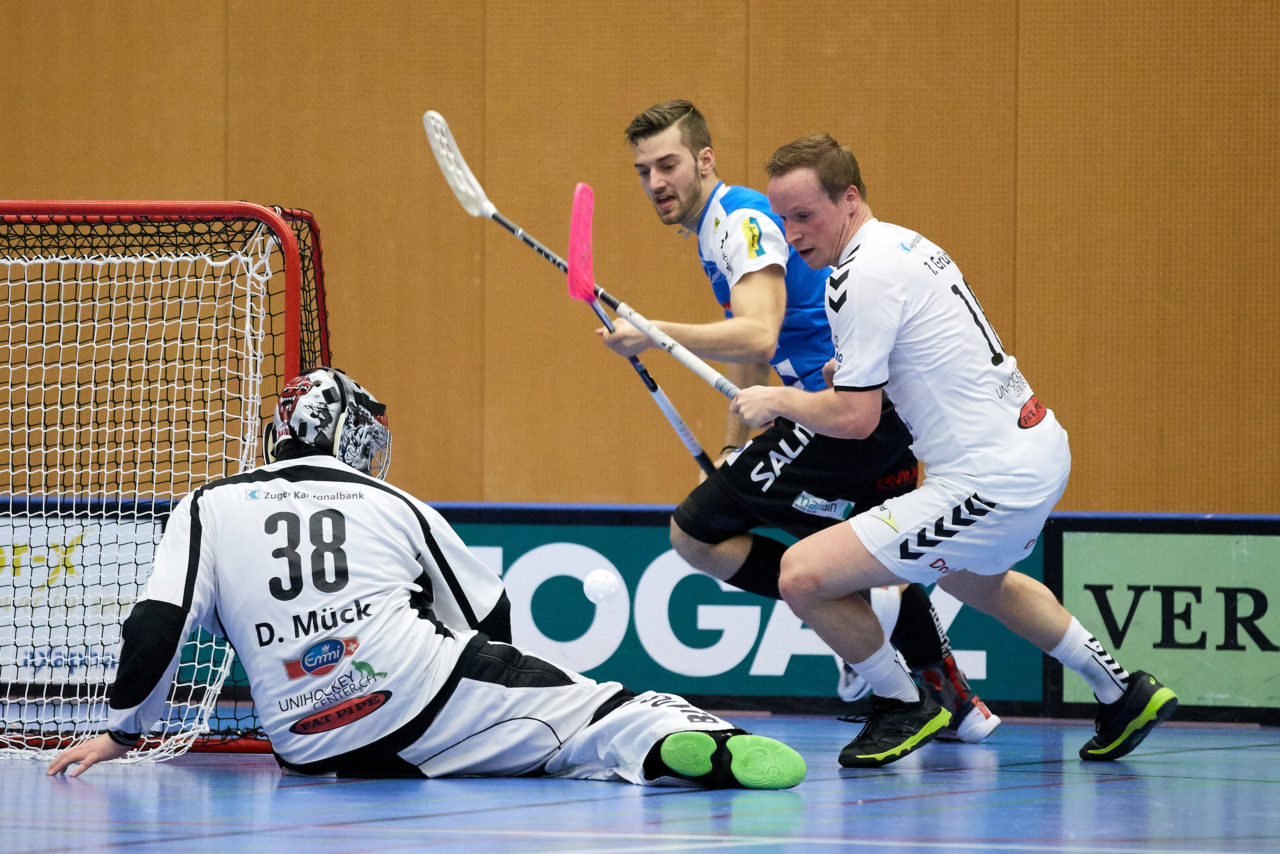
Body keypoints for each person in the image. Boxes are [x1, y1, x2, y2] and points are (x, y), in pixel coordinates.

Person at [47, 367, 806, 789]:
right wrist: (501, 681)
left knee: (532, 748)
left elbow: (155, 628)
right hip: (425, 693)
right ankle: (690, 740)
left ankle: (529, 739)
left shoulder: (209, 503)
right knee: (602, 714)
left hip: (308, 746)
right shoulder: (391, 500)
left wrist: (123, 731)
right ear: (349, 437)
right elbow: (489, 610)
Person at [728, 133, 1177, 768]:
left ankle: (903, 700)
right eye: (782, 219)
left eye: (805, 215)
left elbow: (856, 420)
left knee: (801, 575)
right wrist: (846, 374)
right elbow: (913, 358)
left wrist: (775, 403)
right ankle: (1119, 689)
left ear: (849, 199)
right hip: (1035, 448)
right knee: (974, 578)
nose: (792, 233)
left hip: (987, 479)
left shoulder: (858, 274)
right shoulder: (903, 244)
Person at [601, 99, 998, 743]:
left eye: (668, 164)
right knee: (868, 558)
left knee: (697, 532)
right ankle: (953, 698)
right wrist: (737, 446)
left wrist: (651, 332)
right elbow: (760, 349)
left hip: (848, 413)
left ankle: (895, 684)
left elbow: (756, 334)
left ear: (705, 160)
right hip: (857, 414)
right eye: (643, 171)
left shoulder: (740, 221)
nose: (655, 183)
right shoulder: (718, 233)